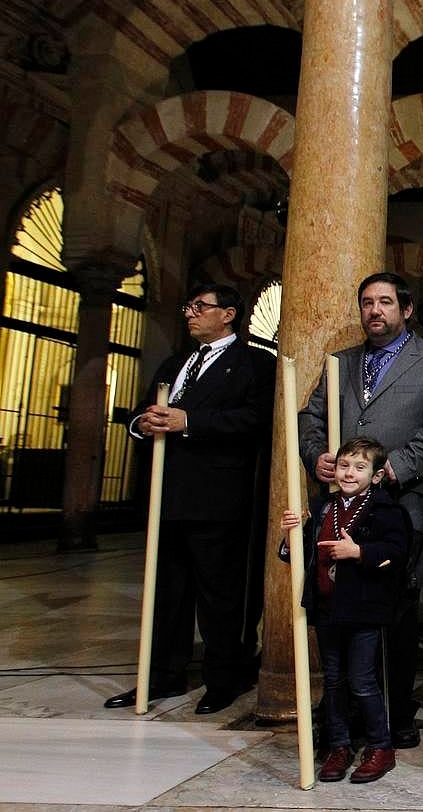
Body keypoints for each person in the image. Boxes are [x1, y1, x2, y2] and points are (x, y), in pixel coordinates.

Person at [299, 272, 423, 748]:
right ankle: (345, 707)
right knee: (340, 604)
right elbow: (311, 416)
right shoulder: (341, 363)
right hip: (341, 502)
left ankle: (395, 710)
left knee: (397, 608)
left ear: (406, 309)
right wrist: (318, 456)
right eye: (368, 302)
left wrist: (397, 465)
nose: (376, 310)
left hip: (400, 500)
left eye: (386, 302)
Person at [104, 284, 275, 714]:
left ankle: (224, 677)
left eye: (200, 307)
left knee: (220, 594)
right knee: (167, 591)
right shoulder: (175, 362)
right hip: (167, 495)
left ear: (229, 314)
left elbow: (255, 419)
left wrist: (189, 421)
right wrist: (142, 423)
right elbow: (141, 410)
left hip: (219, 497)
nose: (190, 314)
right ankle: (163, 674)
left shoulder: (254, 363)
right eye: (188, 307)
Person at [280, 436, 410, 784]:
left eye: (359, 467)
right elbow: (299, 553)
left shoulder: (385, 509)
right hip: (327, 608)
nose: (349, 473)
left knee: (363, 680)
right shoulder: (324, 507)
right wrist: (290, 536)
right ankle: (338, 745)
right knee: (333, 682)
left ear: (377, 475)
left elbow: (396, 553)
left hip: (364, 609)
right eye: (344, 465)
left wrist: (360, 553)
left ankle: (381, 746)